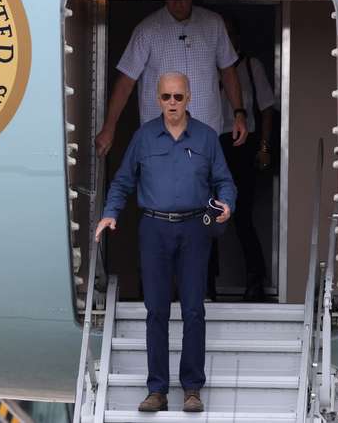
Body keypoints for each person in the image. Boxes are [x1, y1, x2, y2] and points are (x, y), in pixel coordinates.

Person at [95, 72, 237, 413]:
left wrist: (227, 204)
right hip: (154, 230)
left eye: (177, 97)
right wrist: (110, 213)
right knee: (156, 310)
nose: (171, 103)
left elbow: (224, 181)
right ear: (157, 100)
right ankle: (157, 389)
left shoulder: (205, 138)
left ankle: (191, 389)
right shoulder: (144, 138)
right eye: (165, 97)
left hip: (194, 230)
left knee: (193, 310)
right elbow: (122, 181)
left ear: (189, 98)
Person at [95, 0, 248, 157]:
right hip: (160, 136)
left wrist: (239, 113)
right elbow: (126, 82)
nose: (177, 3)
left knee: (203, 181)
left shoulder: (214, 24)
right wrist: (109, 128)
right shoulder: (147, 29)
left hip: (205, 133)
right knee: (162, 181)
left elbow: (228, 71)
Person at [218, 17, 275, 301]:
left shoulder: (252, 66)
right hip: (214, 144)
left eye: (229, 34)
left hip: (244, 143)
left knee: (242, 216)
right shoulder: (209, 69)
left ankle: (256, 280)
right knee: (206, 215)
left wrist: (264, 147)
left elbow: (266, 109)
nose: (226, 41)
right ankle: (207, 284)